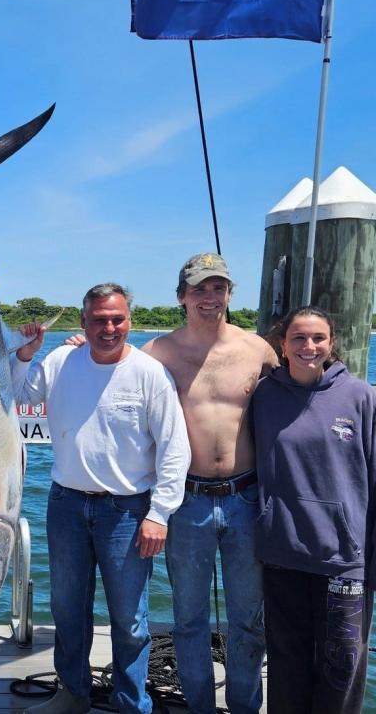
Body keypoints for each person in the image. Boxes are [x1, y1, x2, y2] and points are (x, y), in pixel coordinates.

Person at [15, 283, 190, 714]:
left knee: (130, 620)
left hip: (128, 512)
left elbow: (174, 448)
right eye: (99, 320)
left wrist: (160, 514)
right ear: (83, 322)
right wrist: (24, 353)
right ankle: (71, 694)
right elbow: (18, 396)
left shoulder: (150, 373)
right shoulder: (59, 360)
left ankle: (132, 703)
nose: (108, 328)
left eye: (117, 319)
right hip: (67, 505)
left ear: (129, 320)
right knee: (68, 611)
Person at [142, 253, 277, 714]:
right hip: (187, 501)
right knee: (189, 620)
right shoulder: (158, 352)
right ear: (181, 296)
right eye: (199, 288)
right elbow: (112, 377)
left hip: (247, 497)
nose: (209, 297)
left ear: (230, 294)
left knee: (248, 621)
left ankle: (244, 707)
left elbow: (300, 396)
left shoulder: (258, 349)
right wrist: (75, 347)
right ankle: (198, 707)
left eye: (218, 288)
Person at [252, 306, 376, 714]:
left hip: (344, 560)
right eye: (299, 338)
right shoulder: (264, 394)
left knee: (341, 669)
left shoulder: (361, 396)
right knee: (287, 667)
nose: (309, 346)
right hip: (282, 554)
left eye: (318, 338)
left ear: (332, 343)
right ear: (282, 345)